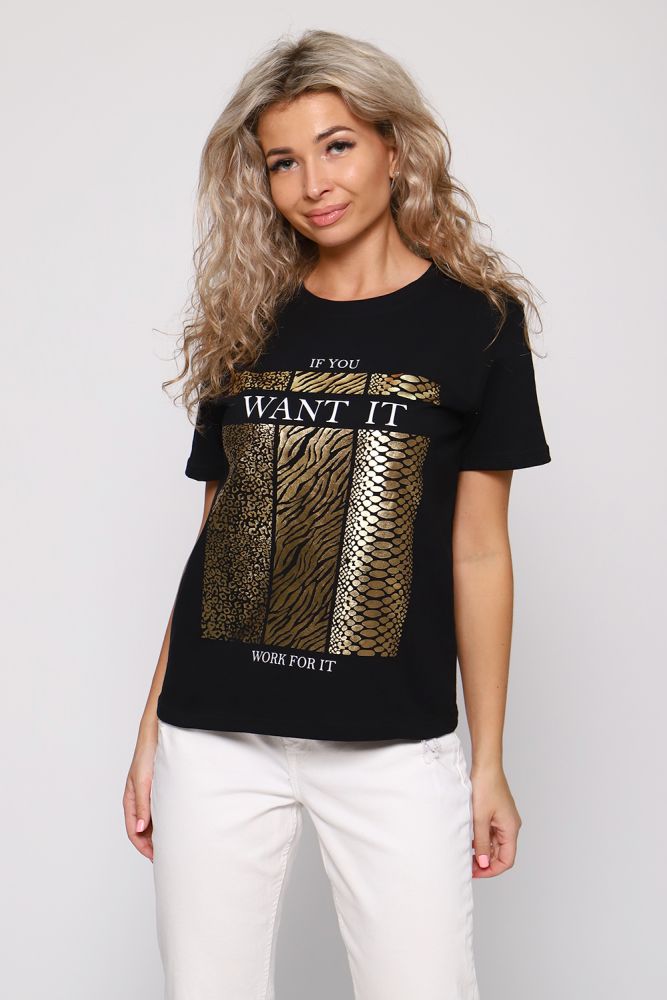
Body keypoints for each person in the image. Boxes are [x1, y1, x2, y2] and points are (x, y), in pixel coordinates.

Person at [123, 28, 551, 1000]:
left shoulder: (477, 322)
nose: (312, 182)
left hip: (390, 741)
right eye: (283, 160)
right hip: (215, 734)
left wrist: (486, 761)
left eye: (337, 145)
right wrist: (151, 729)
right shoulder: (246, 318)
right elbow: (215, 538)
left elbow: (479, 554)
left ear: (395, 148)